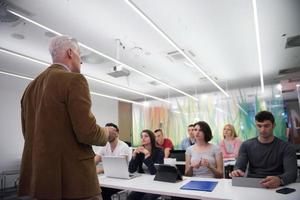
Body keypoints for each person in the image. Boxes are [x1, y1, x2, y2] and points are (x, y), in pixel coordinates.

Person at [19, 35, 113, 200]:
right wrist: (107, 132)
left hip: (42, 181)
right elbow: (87, 132)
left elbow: (28, 135)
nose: (81, 61)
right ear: (70, 52)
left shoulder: (30, 88)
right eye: (80, 55)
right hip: (75, 183)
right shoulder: (74, 80)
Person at [230, 111, 297, 188]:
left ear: (273, 125)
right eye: (259, 126)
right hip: (252, 184)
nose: (262, 130)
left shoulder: (286, 147)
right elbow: (239, 167)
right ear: (256, 126)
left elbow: (292, 173)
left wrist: (280, 180)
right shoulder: (246, 145)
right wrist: (237, 172)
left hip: (276, 185)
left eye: (266, 126)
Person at [128, 129, 164, 200]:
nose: (143, 138)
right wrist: (134, 155)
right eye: (141, 137)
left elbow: (155, 172)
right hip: (143, 183)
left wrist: (147, 155)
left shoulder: (159, 151)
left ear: (152, 138)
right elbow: (131, 170)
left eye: (146, 136)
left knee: (146, 198)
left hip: (156, 184)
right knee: (131, 197)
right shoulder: (140, 152)